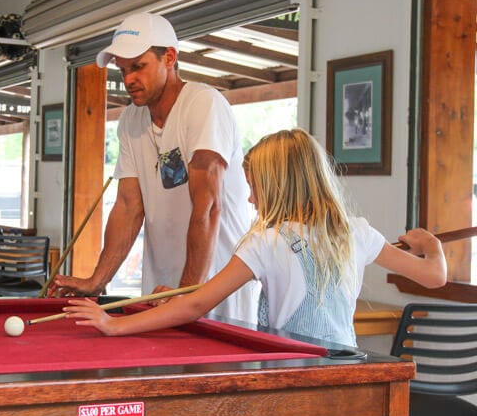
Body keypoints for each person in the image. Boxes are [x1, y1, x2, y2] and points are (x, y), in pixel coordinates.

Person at [63, 129, 447, 347]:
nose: (250, 198)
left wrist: (113, 324)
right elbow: (435, 277)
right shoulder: (355, 232)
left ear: (279, 186)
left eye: (255, 186)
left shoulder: (266, 240)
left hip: (288, 372)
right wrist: (431, 246)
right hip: (344, 369)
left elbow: (197, 305)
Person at [49, 12, 259, 324]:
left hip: (214, 290)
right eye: (123, 70)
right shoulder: (131, 120)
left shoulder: (203, 104)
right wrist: (97, 280)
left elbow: (209, 205)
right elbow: (128, 206)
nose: (129, 78)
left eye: (138, 66)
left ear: (169, 58)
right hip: (162, 290)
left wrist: (189, 293)